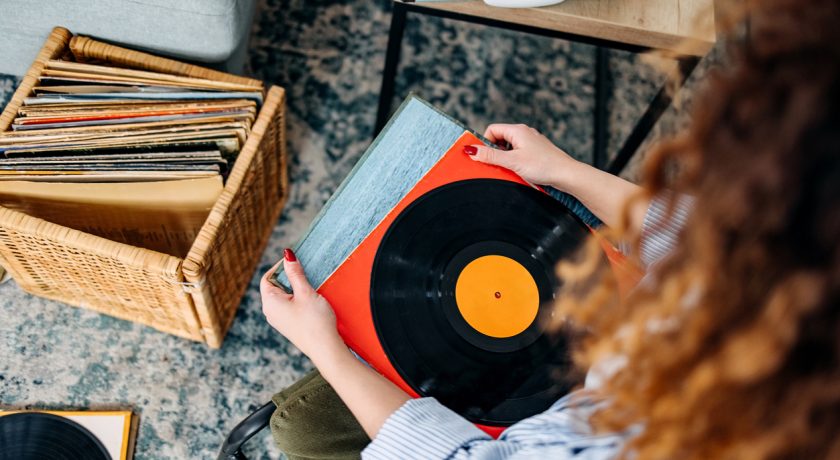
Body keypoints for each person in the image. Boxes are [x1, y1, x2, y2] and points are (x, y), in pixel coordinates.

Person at [259, 0, 840, 457]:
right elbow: (702, 239)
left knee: (304, 432)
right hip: (627, 362)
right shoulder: (799, 268)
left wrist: (325, 347)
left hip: (572, 411)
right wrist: (564, 171)